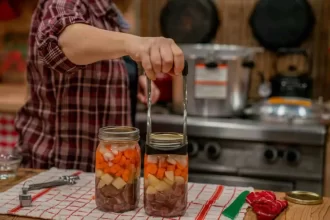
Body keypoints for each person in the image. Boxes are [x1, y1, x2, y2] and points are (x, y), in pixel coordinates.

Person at [15, 0, 184, 172]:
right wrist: (136, 43)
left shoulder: (109, 12)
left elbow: (105, 59)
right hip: (57, 172)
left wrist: (130, 78)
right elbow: (64, 42)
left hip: (108, 169)